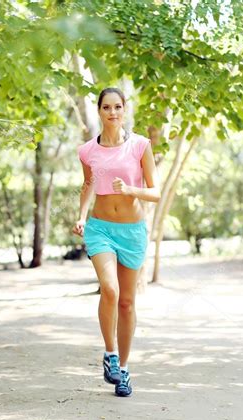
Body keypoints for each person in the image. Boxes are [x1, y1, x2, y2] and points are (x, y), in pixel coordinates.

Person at [72, 87, 160, 397]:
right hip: (100, 229)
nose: (113, 112)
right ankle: (109, 353)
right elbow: (88, 184)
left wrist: (131, 190)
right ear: (99, 111)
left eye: (118, 107)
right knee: (110, 289)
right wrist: (82, 216)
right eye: (107, 107)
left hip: (132, 231)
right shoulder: (88, 151)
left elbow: (155, 191)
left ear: (124, 110)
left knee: (126, 302)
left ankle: (123, 370)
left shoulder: (139, 146)